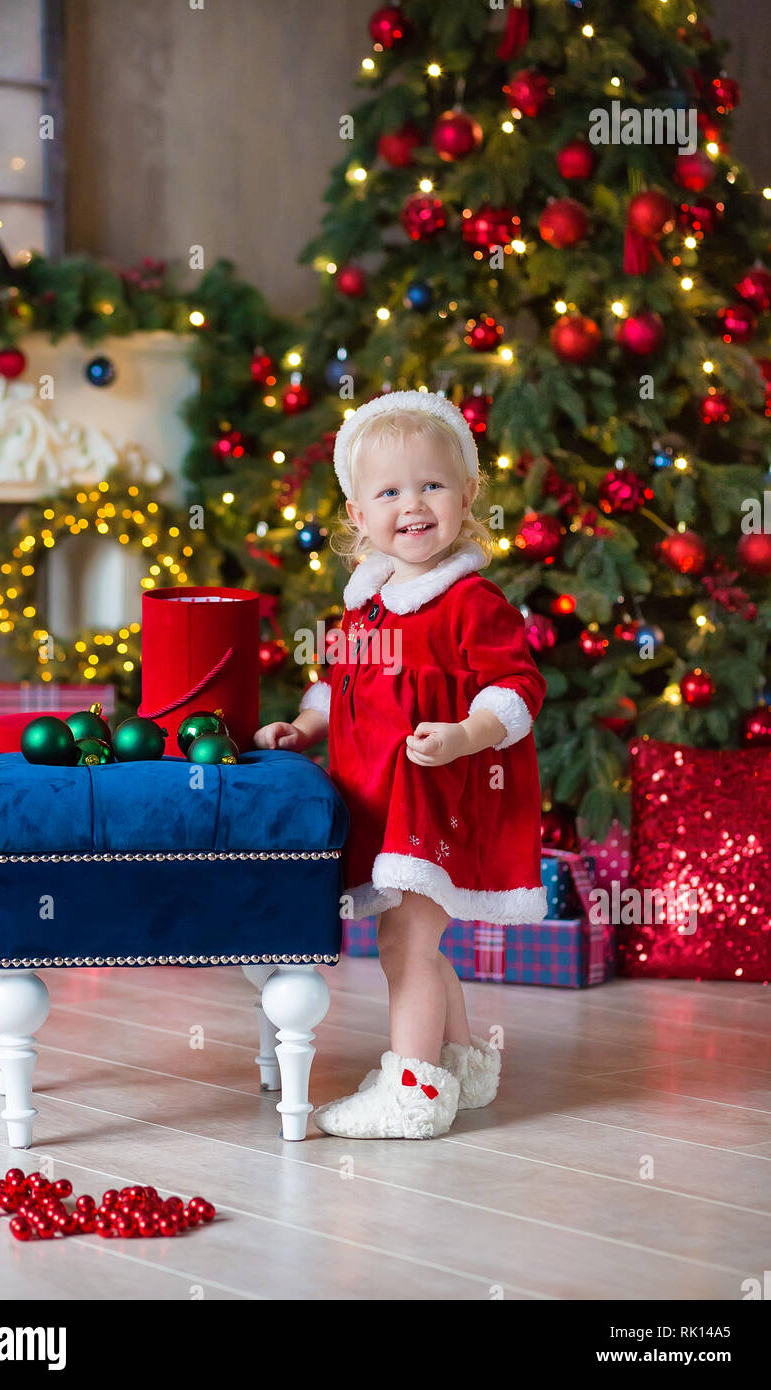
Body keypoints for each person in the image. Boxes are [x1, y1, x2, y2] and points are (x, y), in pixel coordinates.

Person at [254, 390, 547, 1139]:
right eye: (389, 492)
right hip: (384, 800)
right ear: (358, 514)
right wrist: (306, 725)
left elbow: (517, 687)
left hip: (441, 795)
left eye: (432, 486)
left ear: (468, 495)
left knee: (405, 940)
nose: (412, 506)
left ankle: (413, 1092)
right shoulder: (366, 606)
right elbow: (337, 683)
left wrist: (465, 734)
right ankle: (459, 1061)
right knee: (421, 935)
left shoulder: (468, 601)